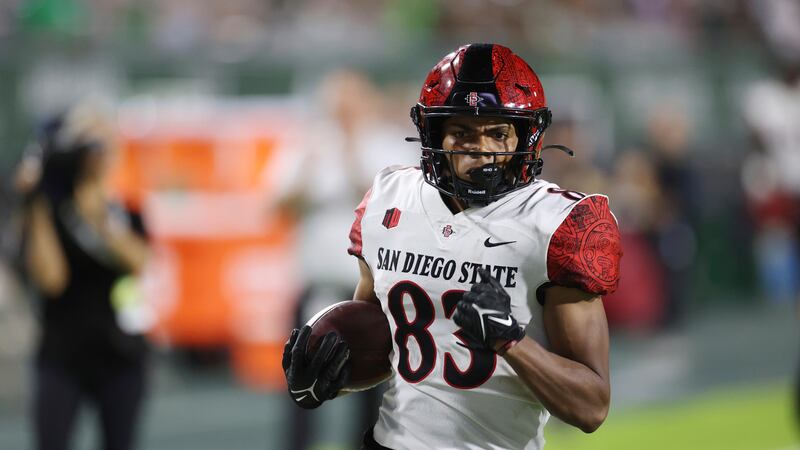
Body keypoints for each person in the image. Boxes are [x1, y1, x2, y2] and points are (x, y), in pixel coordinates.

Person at [283, 43, 622, 449]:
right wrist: (326, 378)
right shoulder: (390, 199)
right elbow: (383, 346)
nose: (481, 148)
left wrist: (512, 341)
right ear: (433, 133)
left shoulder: (557, 224)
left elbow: (591, 407)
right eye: (461, 132)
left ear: (527, 135)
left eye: (498, 132)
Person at [17, 102, 151, 450]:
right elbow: (51, 279)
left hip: (120, 351)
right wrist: (37, 201)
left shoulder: (124, 208)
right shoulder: (51, 208)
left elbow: (141, 261)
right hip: (62, 352)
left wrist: (100, 216)